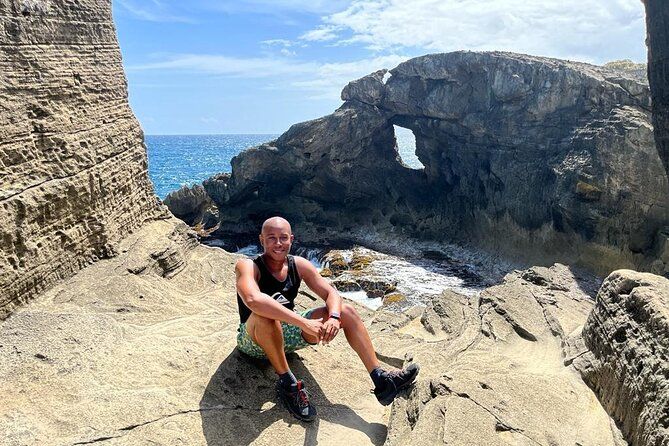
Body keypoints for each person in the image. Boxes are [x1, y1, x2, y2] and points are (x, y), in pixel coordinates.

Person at [235, 216, 419, 422]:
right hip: (254, 340)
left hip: (287, 332)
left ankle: (381, 380)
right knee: (265, 316)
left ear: (291, 239)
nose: (278, 243)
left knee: (346, 311)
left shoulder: (298, 264)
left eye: (283, 238)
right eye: (271, 238)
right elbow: (253, 299)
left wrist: (333, 317)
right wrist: (303, 323)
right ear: (261, 240)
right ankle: (288, 384)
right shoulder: (248, 266)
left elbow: (332, 294)